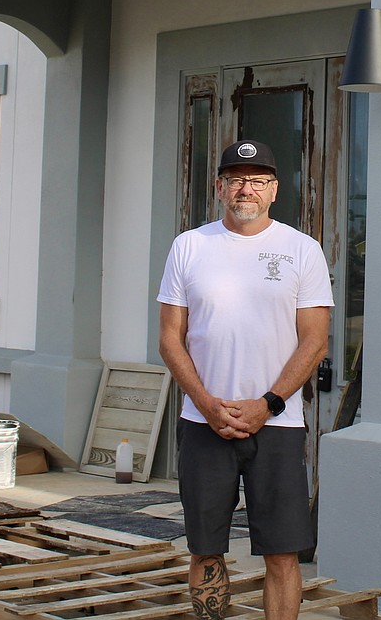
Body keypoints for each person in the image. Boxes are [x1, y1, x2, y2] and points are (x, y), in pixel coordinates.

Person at [157, 139, 333, 620]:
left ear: (274, 189)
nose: (246, 188)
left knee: (282, 551)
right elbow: (171, 339)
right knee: (205, 547)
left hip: (276, 426)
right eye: (236, 179)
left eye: (257, 180)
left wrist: (268, 403)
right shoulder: (189, 246)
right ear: (219, 187)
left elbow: (314, 341)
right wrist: (208, 405)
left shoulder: (303, 250)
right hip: (203, 423)